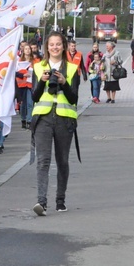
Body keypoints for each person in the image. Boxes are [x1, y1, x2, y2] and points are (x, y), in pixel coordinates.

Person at [31, 32, 79, 215]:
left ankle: (60, 200)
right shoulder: (38, 67)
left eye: (58, 44)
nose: (55, 47)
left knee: (62, 161)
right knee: (43, 161)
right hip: (43, 118)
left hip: (64, 119)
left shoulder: (73, 68)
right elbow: (34, 97)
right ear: (47, 47)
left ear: (64, 46)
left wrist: (64, 82)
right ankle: (41, 202)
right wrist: (42, 82)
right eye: (52, 44)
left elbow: (74, 98)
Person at [15, 42, 37, 129]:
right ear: (23, 51)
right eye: (26, 49)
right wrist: (23, 75)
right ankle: (23, 119)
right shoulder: (19, 61)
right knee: (23, 104)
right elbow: (14, 72)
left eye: (29, 49)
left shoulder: (34, 61)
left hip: (30, 84)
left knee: (30, 103)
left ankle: (29, 120)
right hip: (22, 85)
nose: (27, 50)